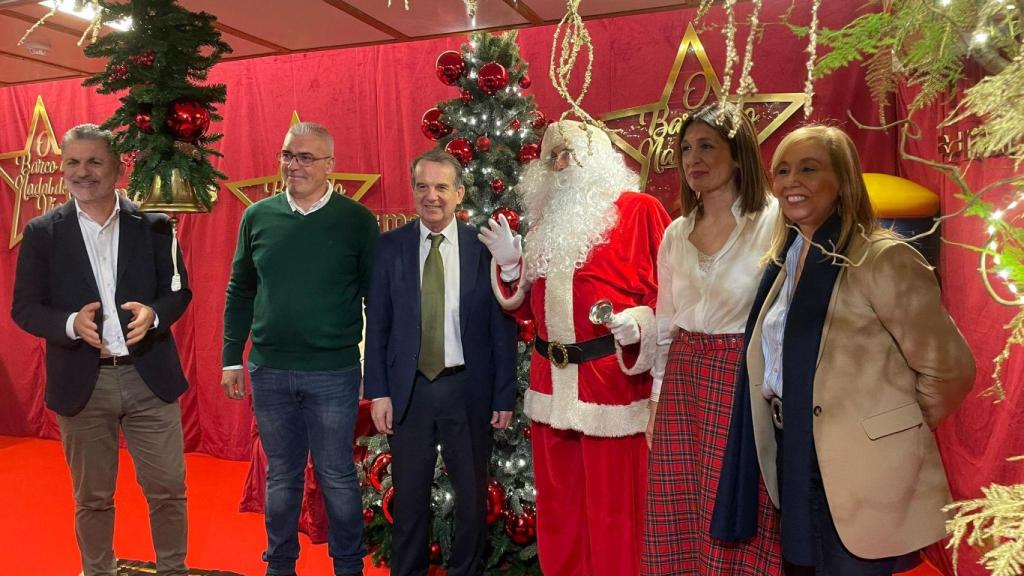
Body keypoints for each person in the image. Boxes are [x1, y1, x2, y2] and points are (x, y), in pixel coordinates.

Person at [712, 125, 976, 575]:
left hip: (860, 468)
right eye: (782, 170)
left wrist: (887, 431)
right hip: (793, 453)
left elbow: (950, 370)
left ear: (843, 180)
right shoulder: (784, 260)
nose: (792, 180)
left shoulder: (883, 257)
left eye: (809, 169)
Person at [479, 119, 671, 575]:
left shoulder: (640, 209)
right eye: (553, 157)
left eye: (570, 154)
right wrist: (510, 269)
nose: (561, 164)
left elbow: (673, 292)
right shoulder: (547, 222)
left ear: (600, 158)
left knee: (615, 512)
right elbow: (530, 313)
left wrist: (641, 323)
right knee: (560, 509)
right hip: (552, 387)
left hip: (612, 389)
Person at [11, 124, 191, 576]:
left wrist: (156, 313)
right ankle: (98, 571)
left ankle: (174, 570)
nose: (82, 172)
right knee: (92, 497)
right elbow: (25, 308)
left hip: (149, 376)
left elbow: (180, 291)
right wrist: (70, 324)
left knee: (168, 488)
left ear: (116, 167)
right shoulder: (41, 233)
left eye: (93, 161)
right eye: (73, 162)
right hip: (81, 384)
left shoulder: (154, 226)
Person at [221, 121, 378, 576]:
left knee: (336, 476)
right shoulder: (258, 216)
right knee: (282, 477)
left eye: (307, 157)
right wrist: (233, 356)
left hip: (334, 372)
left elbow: (377, 299)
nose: (295, 165)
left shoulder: (356, 221)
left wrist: (377, 370)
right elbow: (239, 289)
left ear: (331, 164)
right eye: (288, 155)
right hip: (269, 370)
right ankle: (280, 564)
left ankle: (349, 566)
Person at [643, 103, 783, 575]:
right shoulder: (676, 233)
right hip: (683, 378)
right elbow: (665, 324)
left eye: (707, 146)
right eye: (685, 149)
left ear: (738, 154)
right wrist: (656, 398)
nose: (693, 158)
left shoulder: (772, 220)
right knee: (680, 498)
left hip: (741, 377)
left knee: (737, 497)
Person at [363, 149, 517, 576]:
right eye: (423, 186)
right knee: (408, 502)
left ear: (459, 193)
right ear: (414, 191)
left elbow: (500, 326)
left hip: (466, 389)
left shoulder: (481, 248)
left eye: (441, 187)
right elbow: (378, 325)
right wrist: (377, 391)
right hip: (409, 391)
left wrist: (503, 394)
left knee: (471, 501)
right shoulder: (389, 248)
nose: (432, 196)